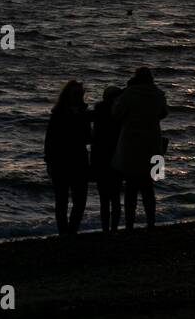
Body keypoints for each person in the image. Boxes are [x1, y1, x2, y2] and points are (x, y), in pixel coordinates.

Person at [111, 67, 168, 232]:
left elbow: (115, 113)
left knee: (131, 188)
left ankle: (129, 224)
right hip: (152, 144)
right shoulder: (158, 94)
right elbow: (163, 114)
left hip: (131, 145)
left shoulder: (129, 94)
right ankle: (151, 222)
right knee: (148, 188)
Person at [44, 79, 91, 235]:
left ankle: (71, 231)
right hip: (61, 161)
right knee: (62, 200)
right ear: (68, 95)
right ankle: (64, 233)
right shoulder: (58, 114)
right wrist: (48, 161)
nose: (78, 96)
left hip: (79, 160)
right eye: (76, 93)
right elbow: (49, 139)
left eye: (80, 93)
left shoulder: (84, 113)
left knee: (79, 200)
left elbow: (87, 137)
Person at [90, 85, 123, 233]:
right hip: (115, 157)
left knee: (104, 198)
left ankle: (105, 229)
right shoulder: (119, 114)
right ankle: (114, 228)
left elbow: (94, 136)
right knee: (115, 196)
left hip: (100, 157)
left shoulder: (99, 111)